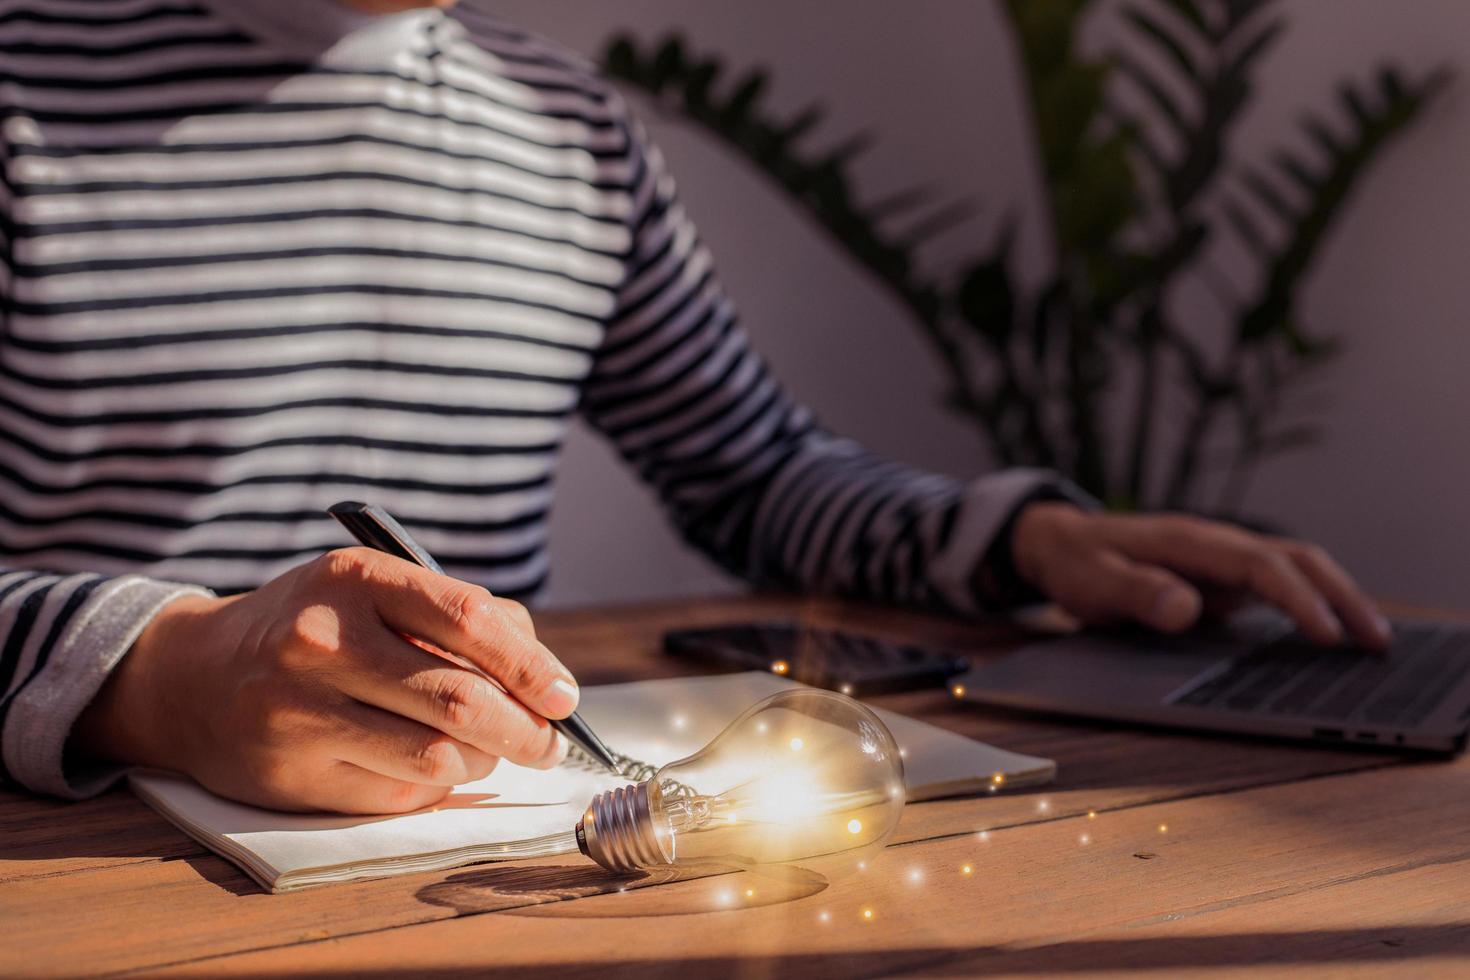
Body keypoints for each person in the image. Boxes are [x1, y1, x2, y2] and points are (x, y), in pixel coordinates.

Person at [0, 0, 1390, 815]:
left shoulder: (567, 126)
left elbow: (747, 466)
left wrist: (1020, 543)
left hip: (473, 826)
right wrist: (149, 677)